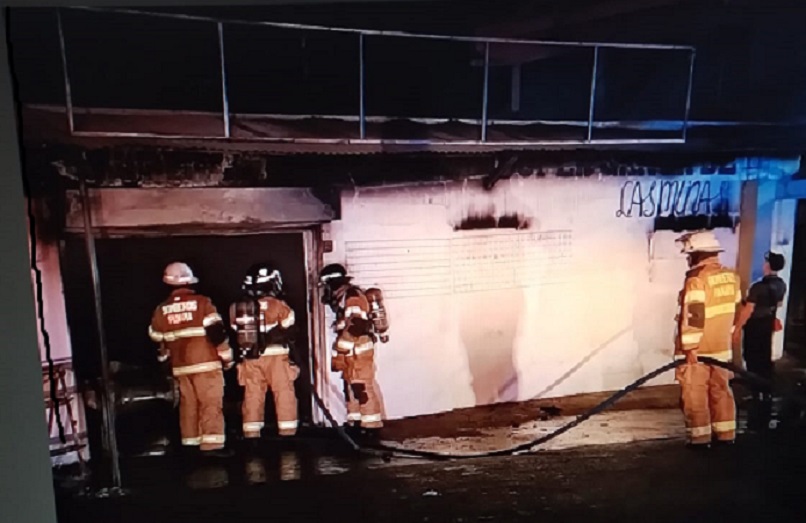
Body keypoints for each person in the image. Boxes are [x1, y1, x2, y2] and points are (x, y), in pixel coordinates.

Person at [148, 262, 234, 457]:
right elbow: (217, 334)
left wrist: (165, 364)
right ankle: (212, 448)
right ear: (190, 282)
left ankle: (190, 444)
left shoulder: (161, 310)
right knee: (210, 404)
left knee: (188, 406)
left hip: (180, 368)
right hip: (206, 365)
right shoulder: (203, 303)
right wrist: (227, 358)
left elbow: (157, 340)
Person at [674, 231, 742, 449]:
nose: (687, 259)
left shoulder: (697, 280)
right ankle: (726, 435)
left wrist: (690, 347)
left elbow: (694, 316)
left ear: (698, 254)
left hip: (699, 350)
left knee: (695, 394)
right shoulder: (732, 277)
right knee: (721, 390)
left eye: (689, 255)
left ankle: (700, 439)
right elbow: (736, 309)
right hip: (722, 349)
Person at [229, 263, 300, 441]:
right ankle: (287, 434)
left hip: (250, 357)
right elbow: (290, 330)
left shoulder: (236, 308)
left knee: (252, 396)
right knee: (284, 394)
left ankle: (252, 435)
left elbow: (234, 331)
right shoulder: (279, 306)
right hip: (277, 357)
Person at [319, 263, 389, 435]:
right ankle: (355, 422)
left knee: (362, 387)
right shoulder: (344, 297)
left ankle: (371, 427)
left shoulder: (353, 297)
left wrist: (340, 351)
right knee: (351, 387)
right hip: (352, 352)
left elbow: (355, 327)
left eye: (327, 285)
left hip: (358, 351)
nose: (326, 290)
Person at [733, 251, 787, 430]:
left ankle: (756, 393)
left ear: (768, 265)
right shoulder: (781, 285)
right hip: (766, 325)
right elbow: (777, 304)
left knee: (752, 357)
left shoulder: (758, 287)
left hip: (754, 326)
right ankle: (766, 392)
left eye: (766, 262)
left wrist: (737, 328)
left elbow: (748, 310)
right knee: (764, 356)